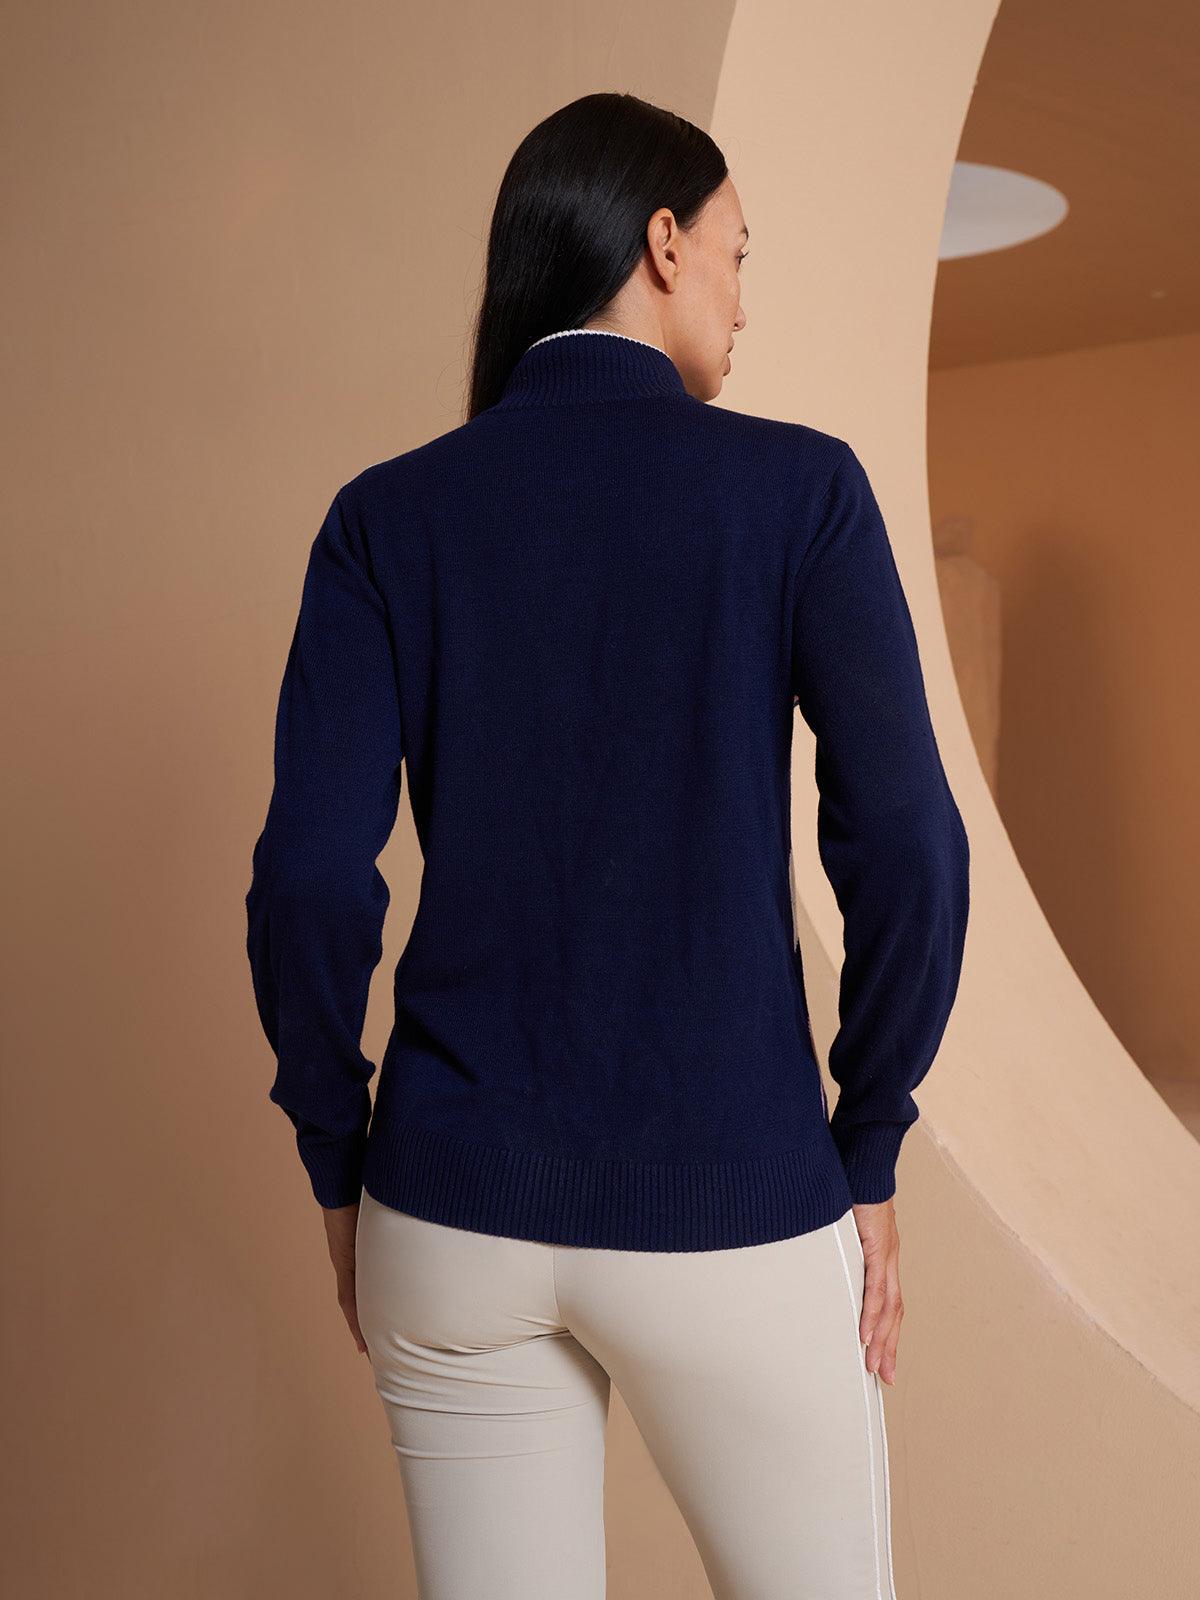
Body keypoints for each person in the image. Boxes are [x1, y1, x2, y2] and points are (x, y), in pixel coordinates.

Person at [244, 91, 969, 1600]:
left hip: (448, 1205)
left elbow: (308, 881)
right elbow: (908, 842)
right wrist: (871, 1135)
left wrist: (337, 1156)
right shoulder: (800, 491)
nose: (744, 300)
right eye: (738, 255)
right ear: (663, 242)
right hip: (733, 1196)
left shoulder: (385, 519)